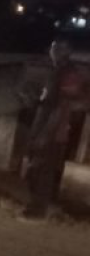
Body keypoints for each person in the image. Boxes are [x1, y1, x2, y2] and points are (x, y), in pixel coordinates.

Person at [20, 39, 87, 220]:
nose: (52, 51)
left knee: (42, 172)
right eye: (52, 47)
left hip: (52, 134)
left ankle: (37, 212)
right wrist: (34, 100)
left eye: (56, 48)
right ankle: (38, 208)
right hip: (44, 130)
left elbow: (62, 106)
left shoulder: (68, 73)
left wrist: (45, 134)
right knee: (35, 170)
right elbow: (50, 103)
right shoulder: (56, 72)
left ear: (65, 51)